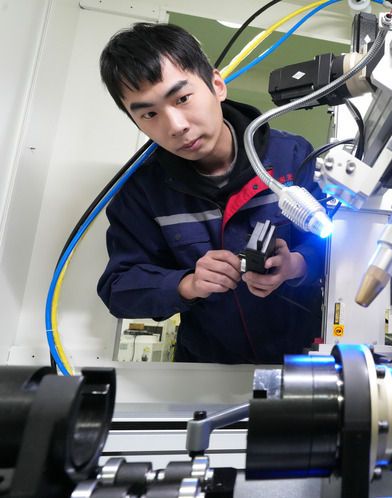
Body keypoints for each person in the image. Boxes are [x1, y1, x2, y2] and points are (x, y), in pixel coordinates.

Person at [97, 23, 325, 364]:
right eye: (150, 114)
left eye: (182, 98)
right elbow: (119, 287)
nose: (176, 126)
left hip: (303, 361)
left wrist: (297, 264)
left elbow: (337, 248)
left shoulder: (291, 156)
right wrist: (187, 284)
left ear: (217, 85)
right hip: (204, 368)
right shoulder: (142, 190)